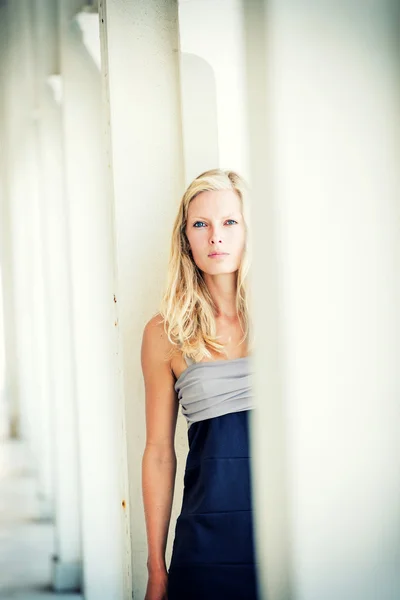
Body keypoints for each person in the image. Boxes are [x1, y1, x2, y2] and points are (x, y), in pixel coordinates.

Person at [141, 168, 258, 600]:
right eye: (201, 225)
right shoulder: (164, 333)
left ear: (247, 229)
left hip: (295, 524)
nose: (216, 238)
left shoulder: (288, 318)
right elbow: (157, 453)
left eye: (229, 222)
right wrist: (156, 569)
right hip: (208, 534)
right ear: (185, 238)